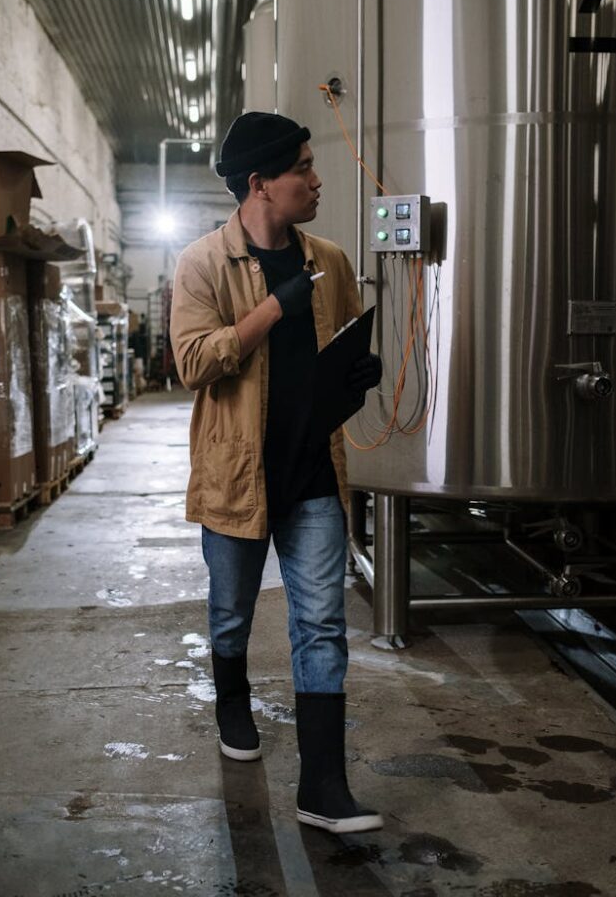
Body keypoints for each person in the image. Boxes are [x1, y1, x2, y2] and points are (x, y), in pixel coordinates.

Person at [170, 111, 383, 834]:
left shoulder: (330, 259)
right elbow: (193, 362)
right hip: (237, 473)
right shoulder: (202, 262)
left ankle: (323, 785)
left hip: (314, 473)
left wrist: (361, 373)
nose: (316, 180)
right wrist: (270, 309)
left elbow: (344, 342)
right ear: (260, 183)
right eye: (302, 168)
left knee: (321, 622)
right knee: (231, 611)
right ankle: (232, 696)